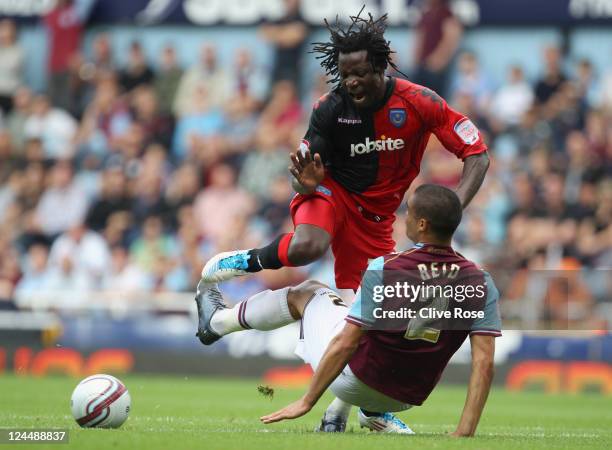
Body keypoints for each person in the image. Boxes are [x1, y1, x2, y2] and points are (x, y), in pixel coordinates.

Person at [200, 9, 489, 432]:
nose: (351, 82)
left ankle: (343, 414)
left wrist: (455, 207)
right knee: (307, 247)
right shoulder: (328, 108)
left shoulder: (420, 102)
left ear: (380, 65)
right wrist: (306, 183)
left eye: (359, 74)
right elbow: (300, 176)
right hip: (330, 194)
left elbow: (476, 153)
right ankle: (243, 262)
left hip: (375, 220)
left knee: (366, 325)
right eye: (345, 74)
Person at [196, 185, 501, 436]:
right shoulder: (480, 280)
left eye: (408, 212)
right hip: (407, 399)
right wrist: (465, 432)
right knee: (358, 323)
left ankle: (218, 322)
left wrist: (306, 400)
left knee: (309, 293)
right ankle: (353, 414)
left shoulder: (387, 267)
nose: (403, 218)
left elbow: (347, 342)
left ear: (422, 224)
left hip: (355, 381)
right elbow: (484, 362)